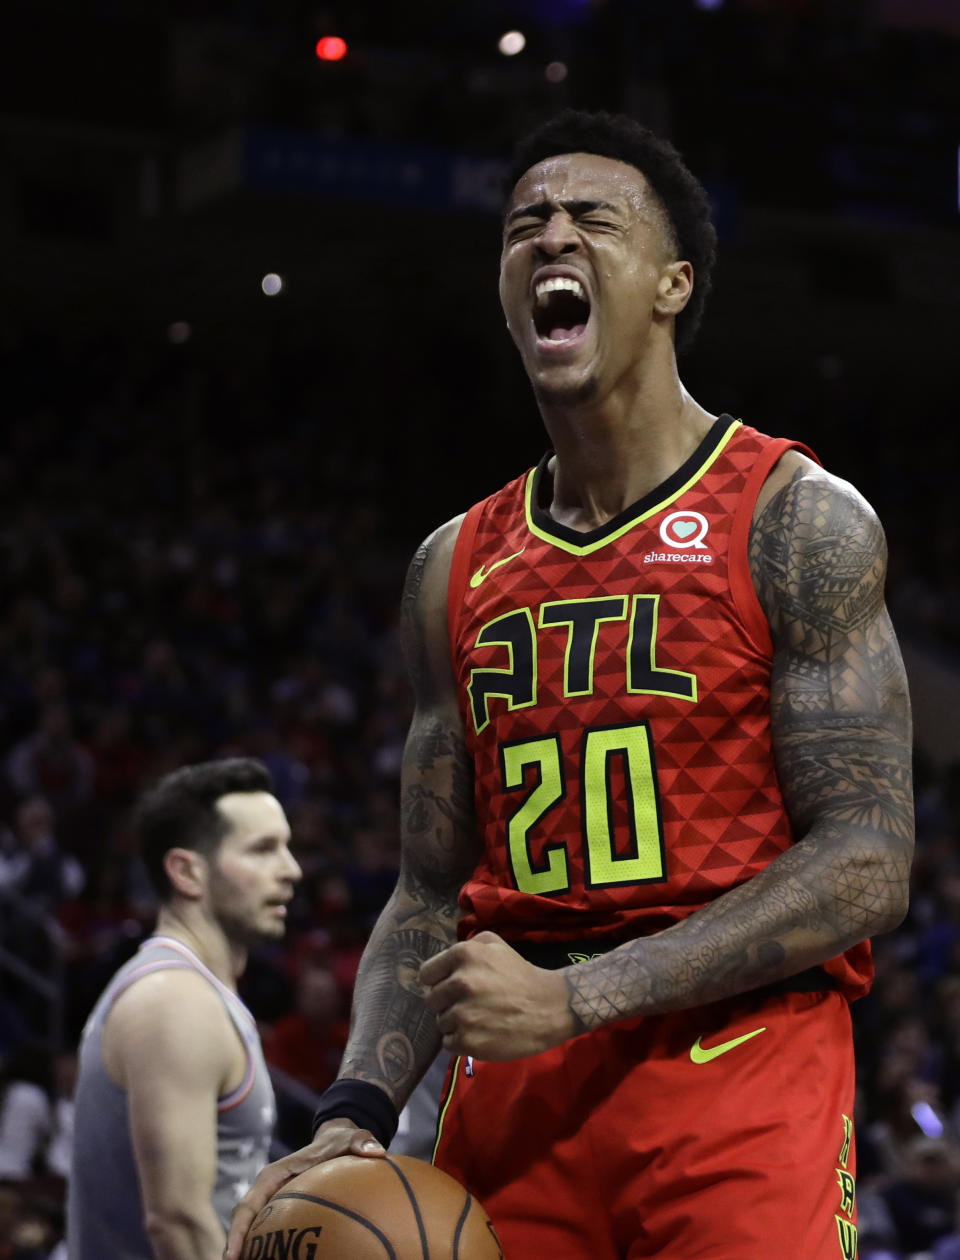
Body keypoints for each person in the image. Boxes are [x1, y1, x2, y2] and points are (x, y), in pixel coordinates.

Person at [226, 109, 914, 1259]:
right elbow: (429, 886)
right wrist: (354, 1111)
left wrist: (585, 996)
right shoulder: (455, 563)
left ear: (672, 284)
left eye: (593, 219)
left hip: (735, 1066)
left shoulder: (794, 518)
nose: (551, 238)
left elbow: (867, 859)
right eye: (523, 227)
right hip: (516, 1074)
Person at [67, 758, 301, 1260]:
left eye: (286, 846)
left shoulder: (191, 991)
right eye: (263, 850)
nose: (291, 869)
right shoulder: (176, 1003)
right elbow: (179, 1222)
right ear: (187, 871)